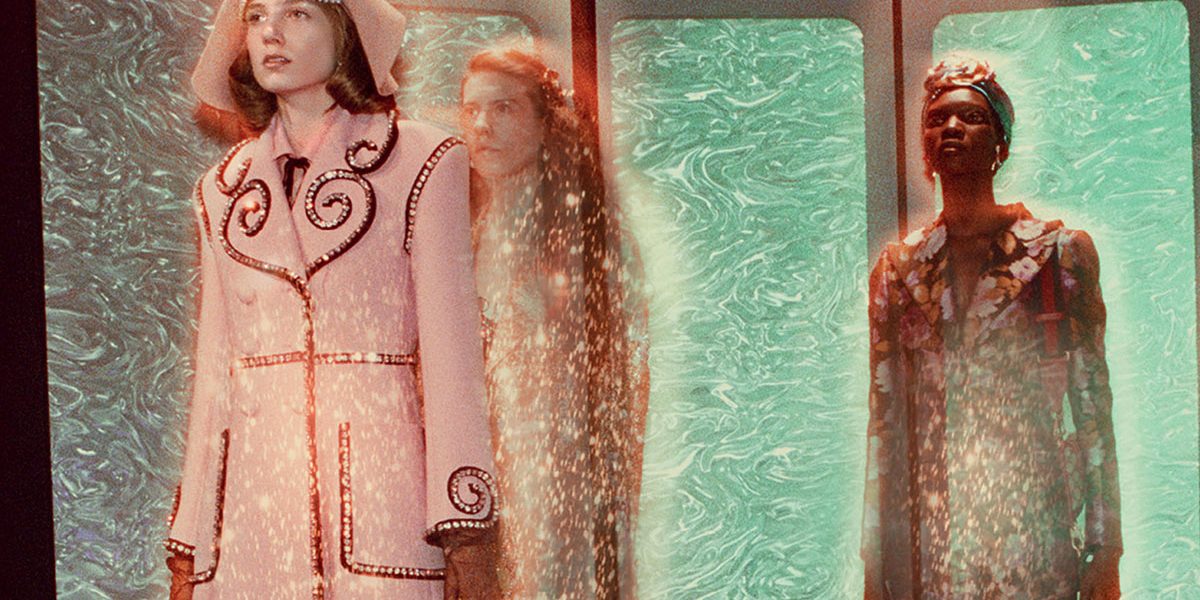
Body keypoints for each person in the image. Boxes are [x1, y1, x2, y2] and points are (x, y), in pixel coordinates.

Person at [164, 0, 498, 598]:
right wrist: (189, 544)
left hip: (382, 513)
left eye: (297, 13)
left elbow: (453, 360)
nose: (270, 32)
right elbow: (214, 380)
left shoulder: (423, 160)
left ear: (345, 31)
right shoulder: (222, 190)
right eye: (256, 15)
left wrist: (466, 530)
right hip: (253, 522)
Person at [860, 57, 1121, 599]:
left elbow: (1092, 409)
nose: (951, 128)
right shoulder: (900, 269)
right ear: (925, 147)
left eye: (972, 117)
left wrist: (1105, 547)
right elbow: (885, 424)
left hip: (1036, 532)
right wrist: (874, 559)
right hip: (935, 542)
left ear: (1000, 141)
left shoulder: (1057, 254)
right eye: (937, 119)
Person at [459, 47, 649, 599]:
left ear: (545, 123)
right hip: (475, 467)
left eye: (504, 108)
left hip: (560, 465)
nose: (482, 125)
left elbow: (630, 366)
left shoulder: (592, 235)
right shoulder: (459, 231)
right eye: (471, 109)